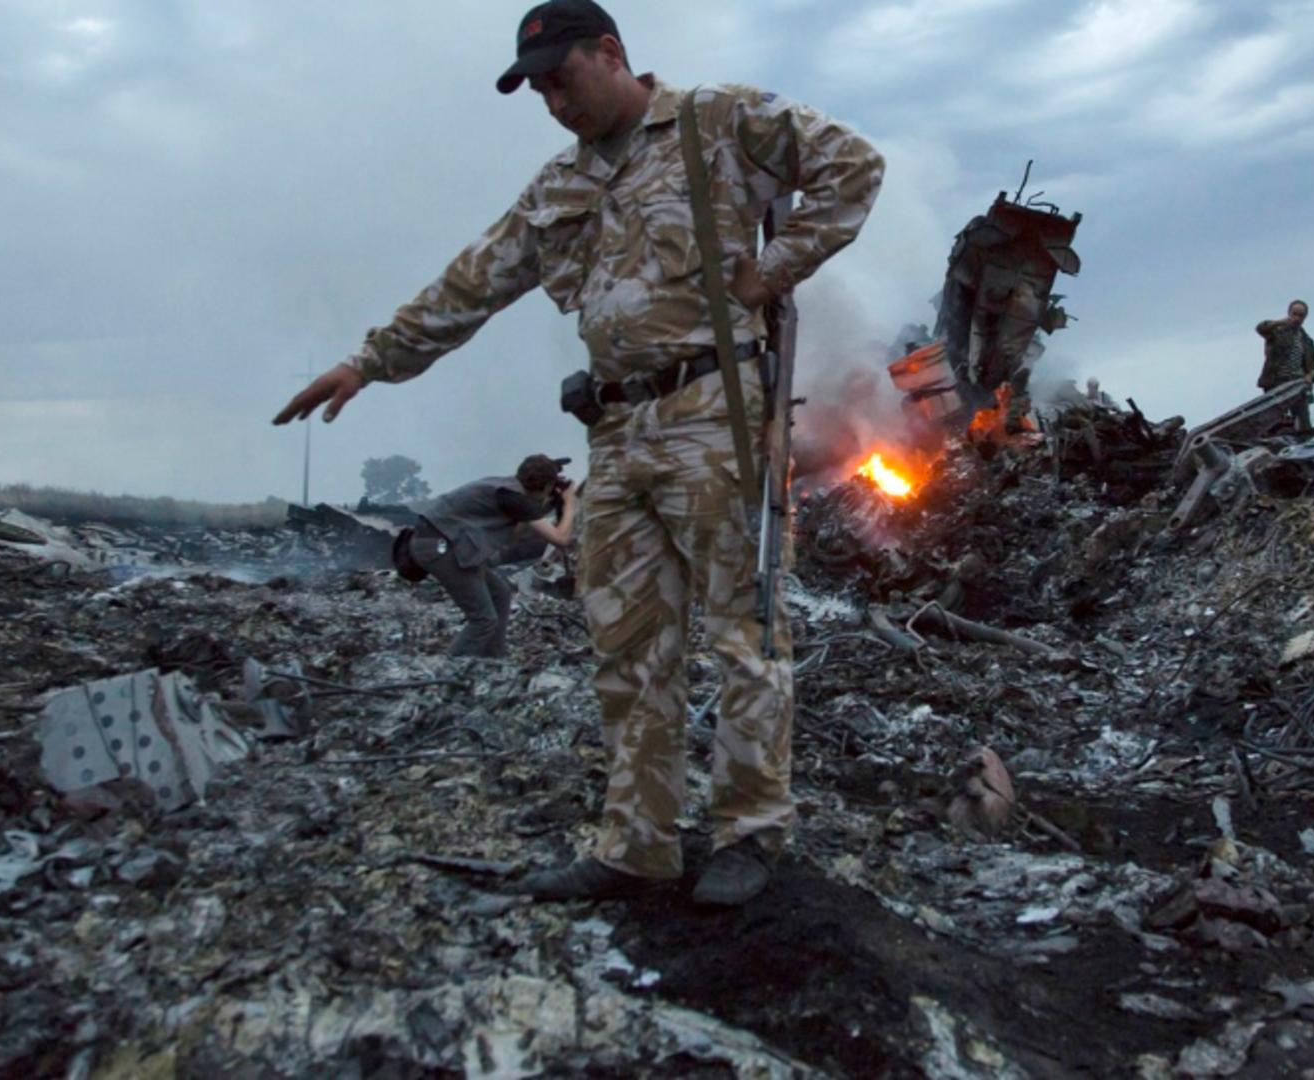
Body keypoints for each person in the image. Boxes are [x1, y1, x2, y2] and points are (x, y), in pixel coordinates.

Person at [273, 0, 884, 906]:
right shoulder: (558, 186)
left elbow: (854, 166)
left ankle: (750, 833)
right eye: (541, 93)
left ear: (611, 52)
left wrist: (775, 265)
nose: (555, 104)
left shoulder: (716, 122)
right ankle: (638, 847)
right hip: (617, 433)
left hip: (717, 416)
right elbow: (473, 281)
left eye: (563, 80)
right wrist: (369, 361)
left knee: (745, 635)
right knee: (627, 646)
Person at [392, 454, 578, 659]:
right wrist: (570, 502)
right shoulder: (514, 498)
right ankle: (451, 670)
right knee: (483, 619)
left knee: (500, 594)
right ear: (546, 485)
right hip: (440, 548)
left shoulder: (507, 489)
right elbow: (561, 539)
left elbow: (516, 533)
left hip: (444, 545)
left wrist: (549, 502)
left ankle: (493, 660)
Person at [1254, 299, 1314, 432]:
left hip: (1297, 383)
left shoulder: (1307, 341)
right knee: (1273, 421)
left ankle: (1304, 438)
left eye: (1301, 315)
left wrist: (1310, 375)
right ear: (1289, 313)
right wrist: (1280, 322)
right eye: (1294, 314)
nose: (1297, 318)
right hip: (1276, 382)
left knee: (1303, 419)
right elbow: (1260, 328)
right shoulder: (1277, 332)